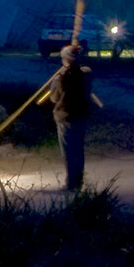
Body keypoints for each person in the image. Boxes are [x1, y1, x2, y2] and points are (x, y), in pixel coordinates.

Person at [47, 40, 102, 191]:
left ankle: (71, 183)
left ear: (65, 60)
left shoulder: (60, 78)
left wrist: (63, 73)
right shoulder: (86, 75)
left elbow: (54, 98)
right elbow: (86, 71)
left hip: (65, 117)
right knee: (78, 149)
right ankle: (78, 181)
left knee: (69, 152)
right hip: (81, 116)